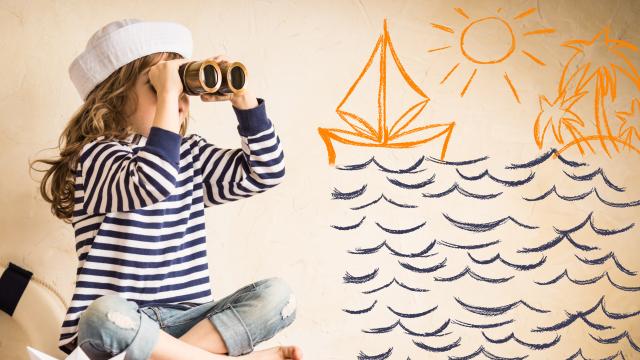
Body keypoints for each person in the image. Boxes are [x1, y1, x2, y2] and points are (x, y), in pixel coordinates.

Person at [29, 18, 302, 360]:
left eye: (183, 90)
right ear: (114, 96)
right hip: (120, 324)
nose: (180, 100)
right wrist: (170, 93)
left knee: (278, 296)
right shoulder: (97, 154)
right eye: (157, 88)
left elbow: (267, 171)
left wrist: (242, 98)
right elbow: (152, 182)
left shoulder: (190, 155)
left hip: (187, 324)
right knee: (100, 315)